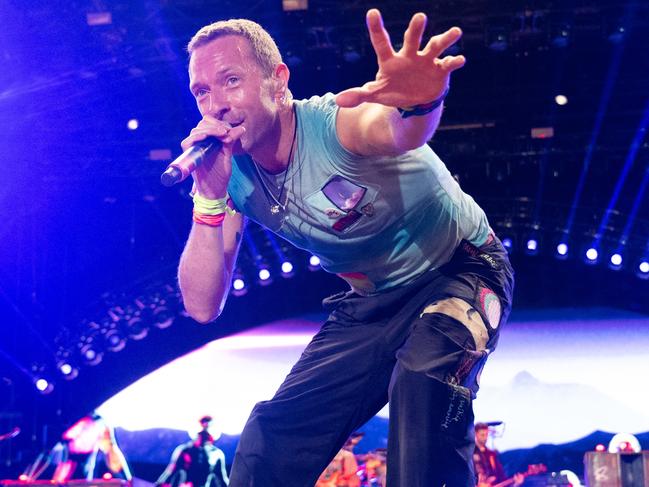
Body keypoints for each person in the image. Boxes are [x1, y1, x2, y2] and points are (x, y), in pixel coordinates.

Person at [177, 7, 514, 487]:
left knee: (422, 383)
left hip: (462, 270)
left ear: (278, 81)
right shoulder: (228, 176)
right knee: (271, 437)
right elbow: (202, 305)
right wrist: (209, 198)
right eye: (202, 91)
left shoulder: (336, 125)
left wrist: (421, 102)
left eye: (231, 81)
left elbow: (396, 128)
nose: (216, 105)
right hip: (373, 304)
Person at [24, 413, 132, 483]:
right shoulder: (68, 421)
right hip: (66, 470)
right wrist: (27, 478)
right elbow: (47, 452)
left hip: (83, 472)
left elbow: (111, 452)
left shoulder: (99, 423)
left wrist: (128, 480)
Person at [156, 424, 229, 487]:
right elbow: (169, 472)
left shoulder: (216, 453)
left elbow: (223, 479)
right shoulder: (184, 450)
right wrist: (159, 484)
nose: (203, 439)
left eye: (206, 435)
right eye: (202, 434)